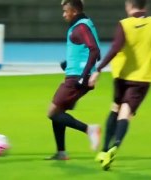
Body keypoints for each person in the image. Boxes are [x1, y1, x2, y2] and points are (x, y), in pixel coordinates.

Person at [88, 0, 151, 170]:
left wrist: (98, 69)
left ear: (129, 5)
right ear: (146, 6)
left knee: (115, 108)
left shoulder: (124, 24)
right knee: (126, 112)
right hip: (142, 78)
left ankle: (104, 149)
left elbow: (114, 49)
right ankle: (115, 147)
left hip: (121, 75)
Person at [46, 0, 101, 160]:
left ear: (74, 11)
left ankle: (90, 129)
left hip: (77, 78)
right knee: (58, 112)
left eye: (66, 11)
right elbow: (94, 52)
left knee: (52, 112)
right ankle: (61, 152)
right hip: (76, 74)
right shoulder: (85, 24)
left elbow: (94, 50)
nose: (64, 14)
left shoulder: (81, 27)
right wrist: (68, 63)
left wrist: (84, 75)